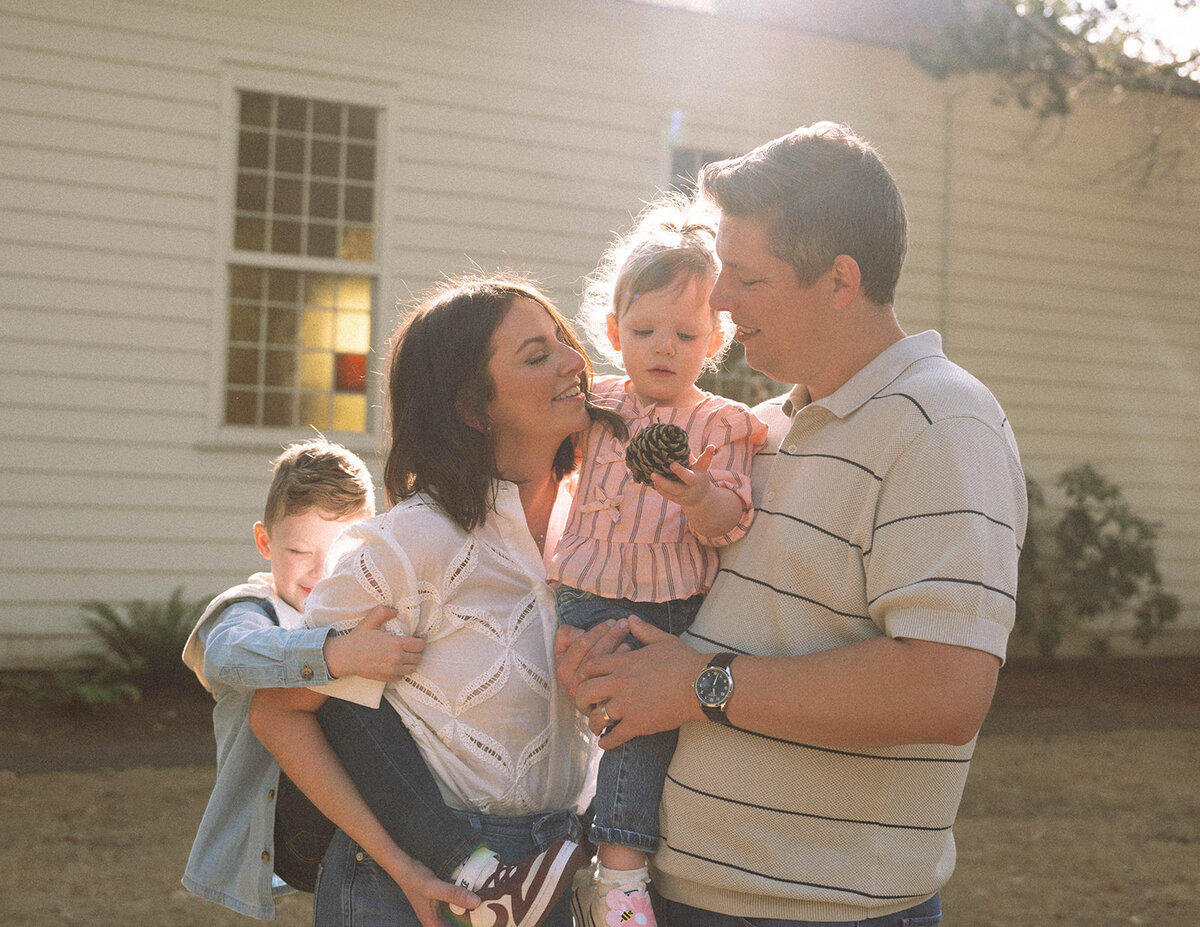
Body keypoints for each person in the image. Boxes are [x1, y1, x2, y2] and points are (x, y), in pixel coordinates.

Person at [556, 122, 1028, 926]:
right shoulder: (756, 430)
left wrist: (700, 685)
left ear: (839, 280)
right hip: (679, 890)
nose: (720, 301)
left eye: (744, 276)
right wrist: (603, 670)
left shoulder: (944, 423)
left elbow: (946, 688)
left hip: (816, 908)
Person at [249, 276, 629, 927]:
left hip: (557, 871)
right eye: (537, 356)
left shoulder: (601, 526)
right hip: (408, 890)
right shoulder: (406, 543)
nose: (575, 361)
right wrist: (402, 860)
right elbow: (280, 712)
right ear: (471, 408)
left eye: (563, 341)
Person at [547, 196, 767, 926]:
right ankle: (592, 859)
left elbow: (729, 521)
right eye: (643, 330)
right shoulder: (596, 407)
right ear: (613, 333)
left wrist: (696, 491)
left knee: (640, 733)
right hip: (586, 592)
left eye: (683, 332)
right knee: (600, 729)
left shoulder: (718, 423)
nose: (662, 347)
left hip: (671, 606)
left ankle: (618, 872)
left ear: (715, 340)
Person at [181, 437, 430, 919]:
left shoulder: (361, 609)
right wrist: (338, 654)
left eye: (341, 552)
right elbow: (225, 657)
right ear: (264, 542)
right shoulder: (249, 609)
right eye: (299, 550)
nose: (321, 571)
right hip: (292, 824)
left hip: (359, 807)